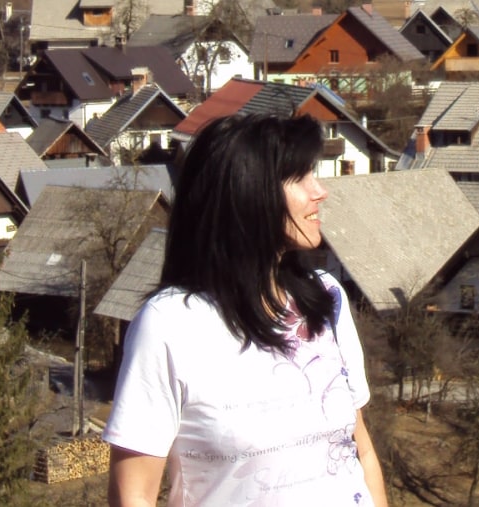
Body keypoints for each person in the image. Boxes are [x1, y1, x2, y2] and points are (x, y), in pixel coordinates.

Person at [102, 114, 388, 506]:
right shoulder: (171, 325)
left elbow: (362, 453)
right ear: (246, 193)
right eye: (299, 178)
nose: (319, 191)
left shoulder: (326, 299)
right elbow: (133, 495)